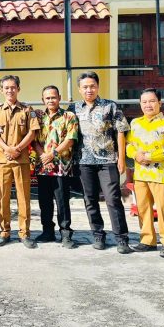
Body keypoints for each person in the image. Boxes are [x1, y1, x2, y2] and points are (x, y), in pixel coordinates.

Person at [69, 71, 132, 254]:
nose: (89, 90)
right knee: (90, 199)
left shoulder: (110, 106)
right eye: (85, 87)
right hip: (84, 161)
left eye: (92, 86)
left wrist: (121, 159)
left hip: (108, 161)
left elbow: (121, 132)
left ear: (98, 86)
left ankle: (121, 238)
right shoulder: (73, 108)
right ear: (79, 89)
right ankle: (98, 234)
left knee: (113, 199)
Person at [126, 88, 164, 259]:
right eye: (144, 102)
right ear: (140, 104)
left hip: (161, 174)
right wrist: (135, 155)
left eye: (152, 101)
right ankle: (147, 240)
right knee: (143, 208)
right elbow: (129, 145)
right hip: (140, 174)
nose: (148, 105)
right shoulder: (135, 123)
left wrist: (149, 157)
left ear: (160, 103)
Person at [0, 75, 40, 248]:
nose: (10, 90)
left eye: (13, 87)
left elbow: (32, 132)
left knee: (23, 197)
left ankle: (24, 233)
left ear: (18, 89)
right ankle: (5, 231)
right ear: (1, 90)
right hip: (2, 161)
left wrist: (17, 149)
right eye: (6, 88)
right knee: (2, 197)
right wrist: (7, 149)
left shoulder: (27, 109)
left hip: (21, 160)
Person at [33, 85, 79, 248]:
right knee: (44, 201)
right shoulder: (38, 117)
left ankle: (65, 233)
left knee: (62, 201)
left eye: (53, 97)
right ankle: (47, 231)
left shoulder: (69, 116)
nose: (51, 100)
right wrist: (44, 157)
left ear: (59, 98)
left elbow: (71, 139)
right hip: (43, 166)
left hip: (61, 166)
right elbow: (34, 140)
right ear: (42, 100)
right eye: (47, 98)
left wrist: (52, 154)